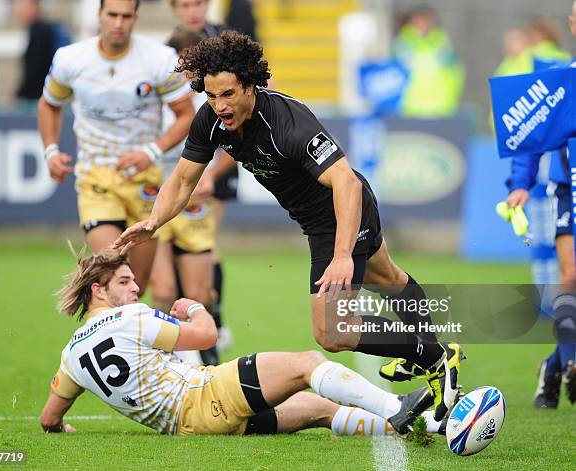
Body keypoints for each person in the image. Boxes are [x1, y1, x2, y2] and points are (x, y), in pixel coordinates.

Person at [113, 31, 463, 422]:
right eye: (211, 96)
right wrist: (155, 221)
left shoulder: (288, 123)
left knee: (333, 332)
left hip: (340, 213)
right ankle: (434, 352)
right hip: (322, 218)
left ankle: (432, 356)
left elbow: (344, 182)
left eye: (228, 94)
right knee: (389, 278)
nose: (219, 106)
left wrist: (343, 255)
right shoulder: (212, 120)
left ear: (251, 85)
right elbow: (181, 180)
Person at [39, 249, 447, 436]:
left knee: (317, 409)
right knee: (306, 362)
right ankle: (396, 407)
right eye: (124, 282)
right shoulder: (130, 317)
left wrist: (61, 428)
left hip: (191, 428)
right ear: (98, 290)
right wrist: (196, 307)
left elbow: (48, 418)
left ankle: (431, 426)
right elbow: (206, 335)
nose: (137, 287)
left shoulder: (71, 355)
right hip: (204, 396)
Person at [38, 0, 196, 295]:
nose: (118, 23)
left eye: (126, 16)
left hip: (145, 180)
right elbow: (49, 105)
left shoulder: (159, 59)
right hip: (96, 177)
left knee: (139, 284)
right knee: (112, 273)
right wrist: (50, 150)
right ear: (99, 15)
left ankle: (136, 338)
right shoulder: (70, 59)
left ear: (135, 17)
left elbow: (187, 114)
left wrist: (151, 151)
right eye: (112, 15)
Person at [504, 6, 576, 409]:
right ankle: (571, 365)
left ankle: (552, 367)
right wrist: (519, 185)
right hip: (571, 190)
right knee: (570, 277)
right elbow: (531, 137)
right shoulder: (560, 83)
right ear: (572, 25)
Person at [149, 29, 220, 366]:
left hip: (195, 203)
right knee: (162, 292)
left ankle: (195, 359)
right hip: (157, 197)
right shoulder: (159, 97)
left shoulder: (214, 95)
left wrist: (211, 177)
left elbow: (235, 146)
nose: (192, 61)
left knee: (199, 295)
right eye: (186, 54)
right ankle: (159, 362)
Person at [391, 7, 464, 118]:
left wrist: (451, 99)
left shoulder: (443, 45)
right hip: (409, 110)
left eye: (426, 20)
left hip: (442, 110)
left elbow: (457, 73)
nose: (423, 24)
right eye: (420, 20)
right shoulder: (401, 46)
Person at [13, 0, 71, 113]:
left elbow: (37, 69)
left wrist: (20, 94)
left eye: (21, 5)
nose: (18, 10)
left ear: (34, 6)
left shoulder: (40, 31)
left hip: (41, 102)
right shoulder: (39, 30)